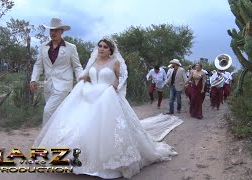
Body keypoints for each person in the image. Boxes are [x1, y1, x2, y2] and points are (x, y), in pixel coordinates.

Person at [33, 36, 182, 179]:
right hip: (89, 95)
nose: (102, 49)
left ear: (110, 50)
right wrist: (85, 78)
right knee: (78, 125)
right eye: (100, 46)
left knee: (102, 128)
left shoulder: (115, 62)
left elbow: (122, 78)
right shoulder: (93, 61)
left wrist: (116, 86)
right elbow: (88, 75)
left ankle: (103, 163)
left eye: (105, 47)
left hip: (106, 97)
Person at [30, 18, 83, 126]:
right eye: (51, 30)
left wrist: (81, 80)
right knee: (57, 114)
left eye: (56, 30)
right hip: (48, 85)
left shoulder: (70, 48)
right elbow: (38, 65)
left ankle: (44, 140)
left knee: (48, 111)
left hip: (63, 85)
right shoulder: (43, 47)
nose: (53, 33)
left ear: (62, 31)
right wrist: (33, 79)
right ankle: (59, 138)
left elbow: (77, 66)